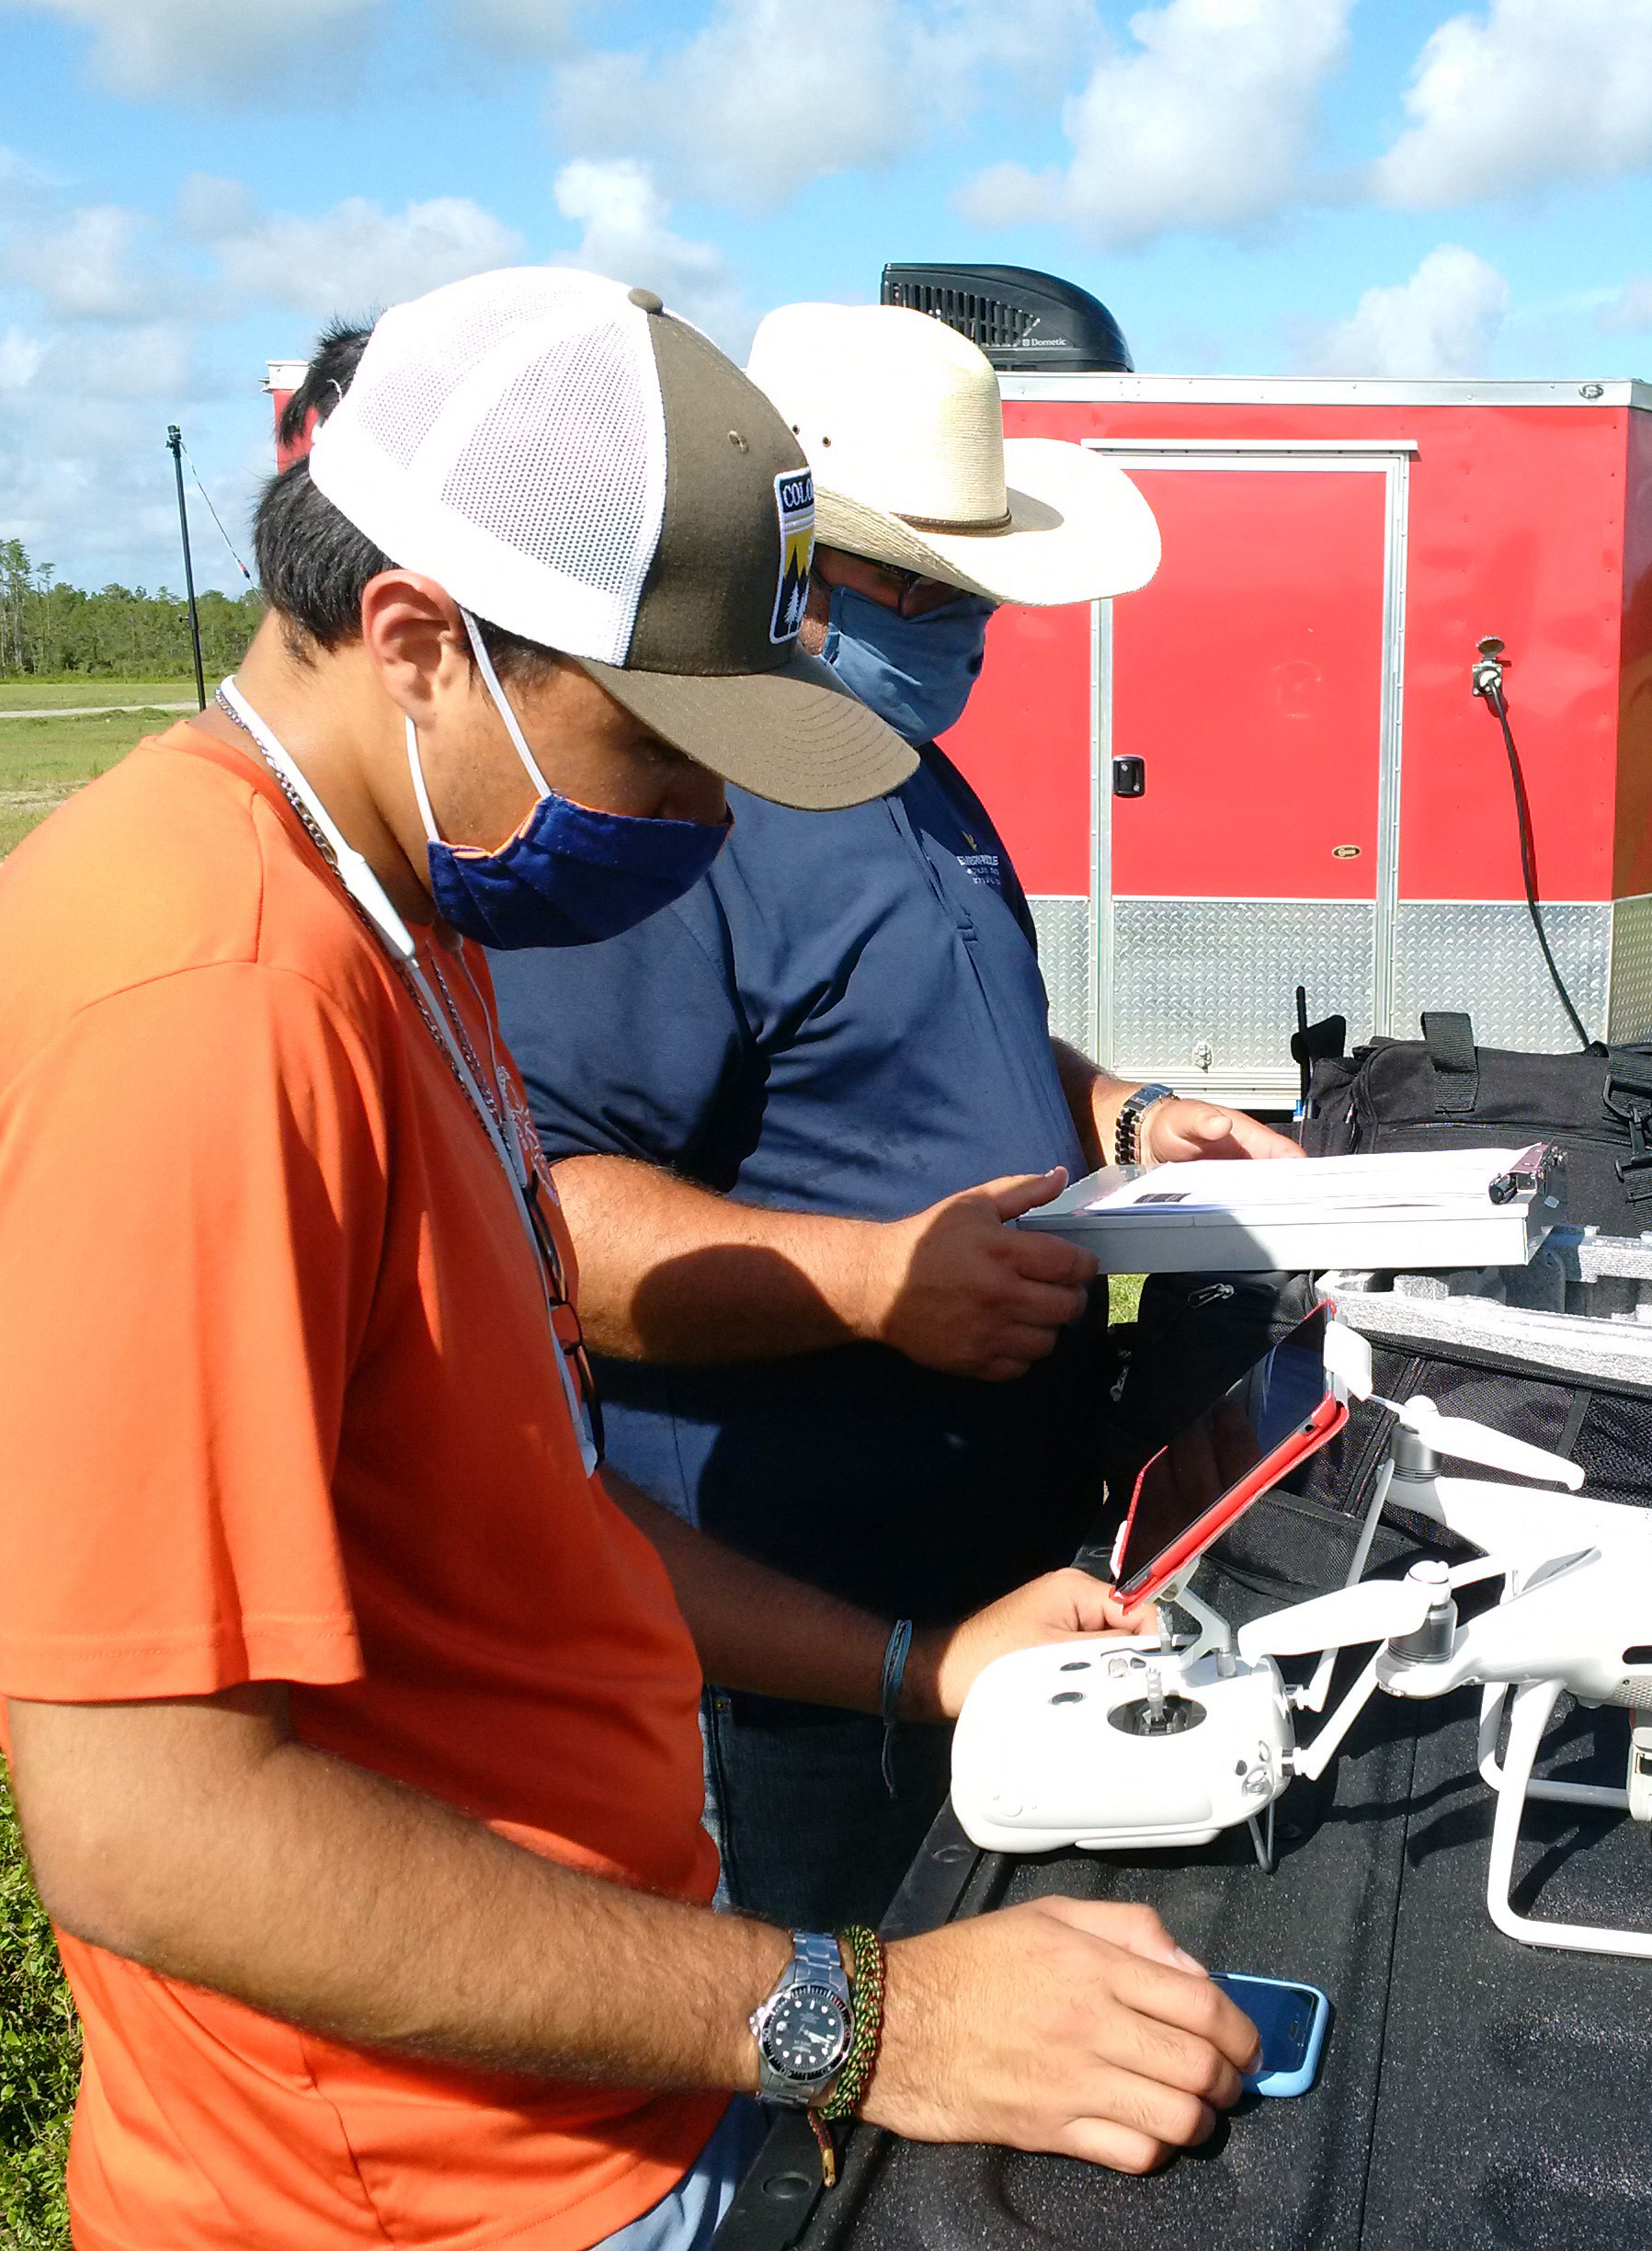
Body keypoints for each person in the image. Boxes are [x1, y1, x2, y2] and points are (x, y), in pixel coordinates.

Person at [0, 269, 1256, 2251]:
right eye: (665, 746)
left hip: (600, 2102)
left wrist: (914, 1666)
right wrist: (863, 2015)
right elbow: (154, 1828)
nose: (698, 816)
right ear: (419, 642)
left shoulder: (403, 922)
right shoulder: (213, 1000)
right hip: (413, 2197)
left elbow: (519, 1508)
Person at [488, 303, 1300, 1931]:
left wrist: (1125, 1114)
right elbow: (544, 1222)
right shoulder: (676, 815)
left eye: (969, 586)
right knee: (837, 2084)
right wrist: (875, 1282)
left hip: (1004, 1596)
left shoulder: (908, 762)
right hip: (799, 1659)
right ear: (784, 570)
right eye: (911, 580)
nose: (957, 624)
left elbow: (933, 1024)